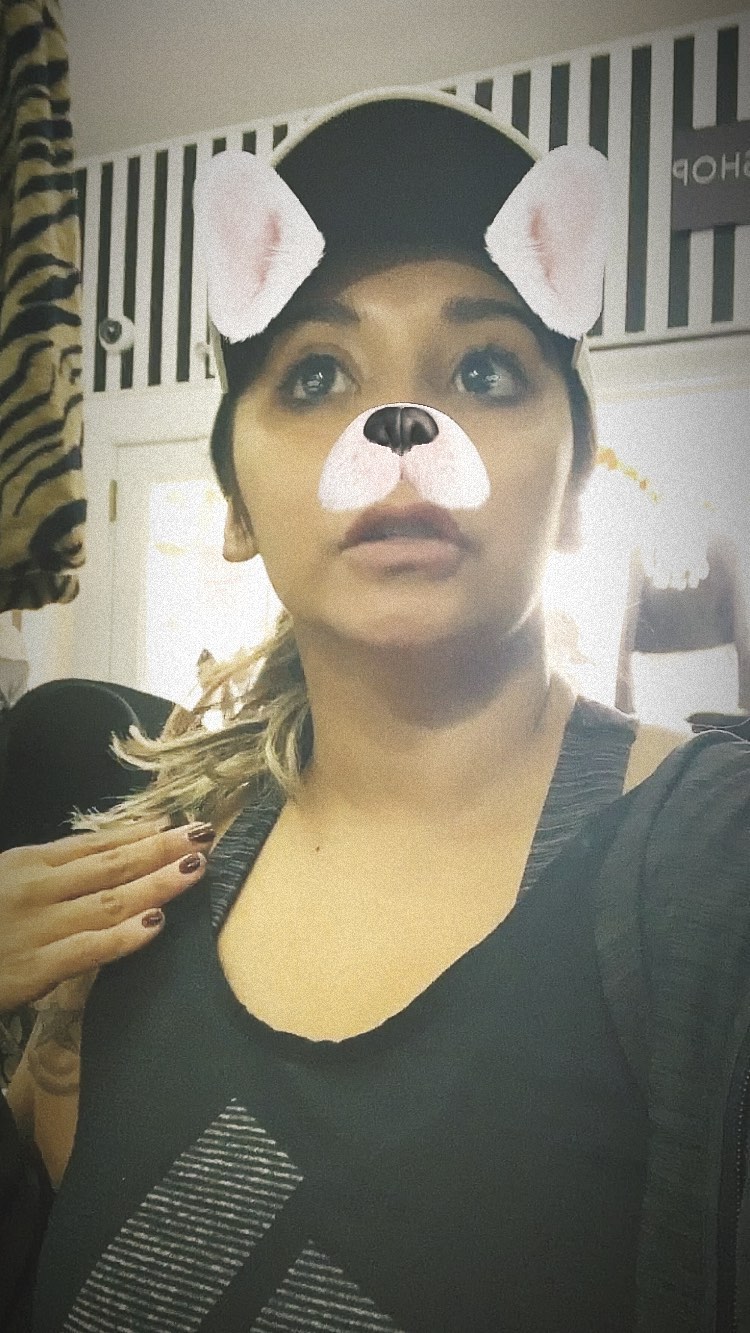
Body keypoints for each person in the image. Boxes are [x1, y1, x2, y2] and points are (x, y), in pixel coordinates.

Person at [2, 89, 749, 1332]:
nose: (401, 427)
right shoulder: (153, 880)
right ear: (236, 505)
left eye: (485, 368)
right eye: (316, 374)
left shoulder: (712, 868)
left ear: (575, 485)